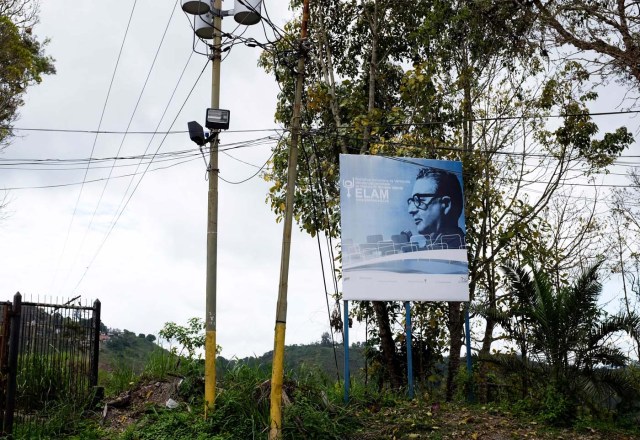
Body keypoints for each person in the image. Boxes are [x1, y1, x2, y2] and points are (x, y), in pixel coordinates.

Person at [405, 166, 466, 250]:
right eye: (412, 201)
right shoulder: (433, 250)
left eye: (420, 200)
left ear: (446, 204)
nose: (411, 210)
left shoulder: (452, 252)